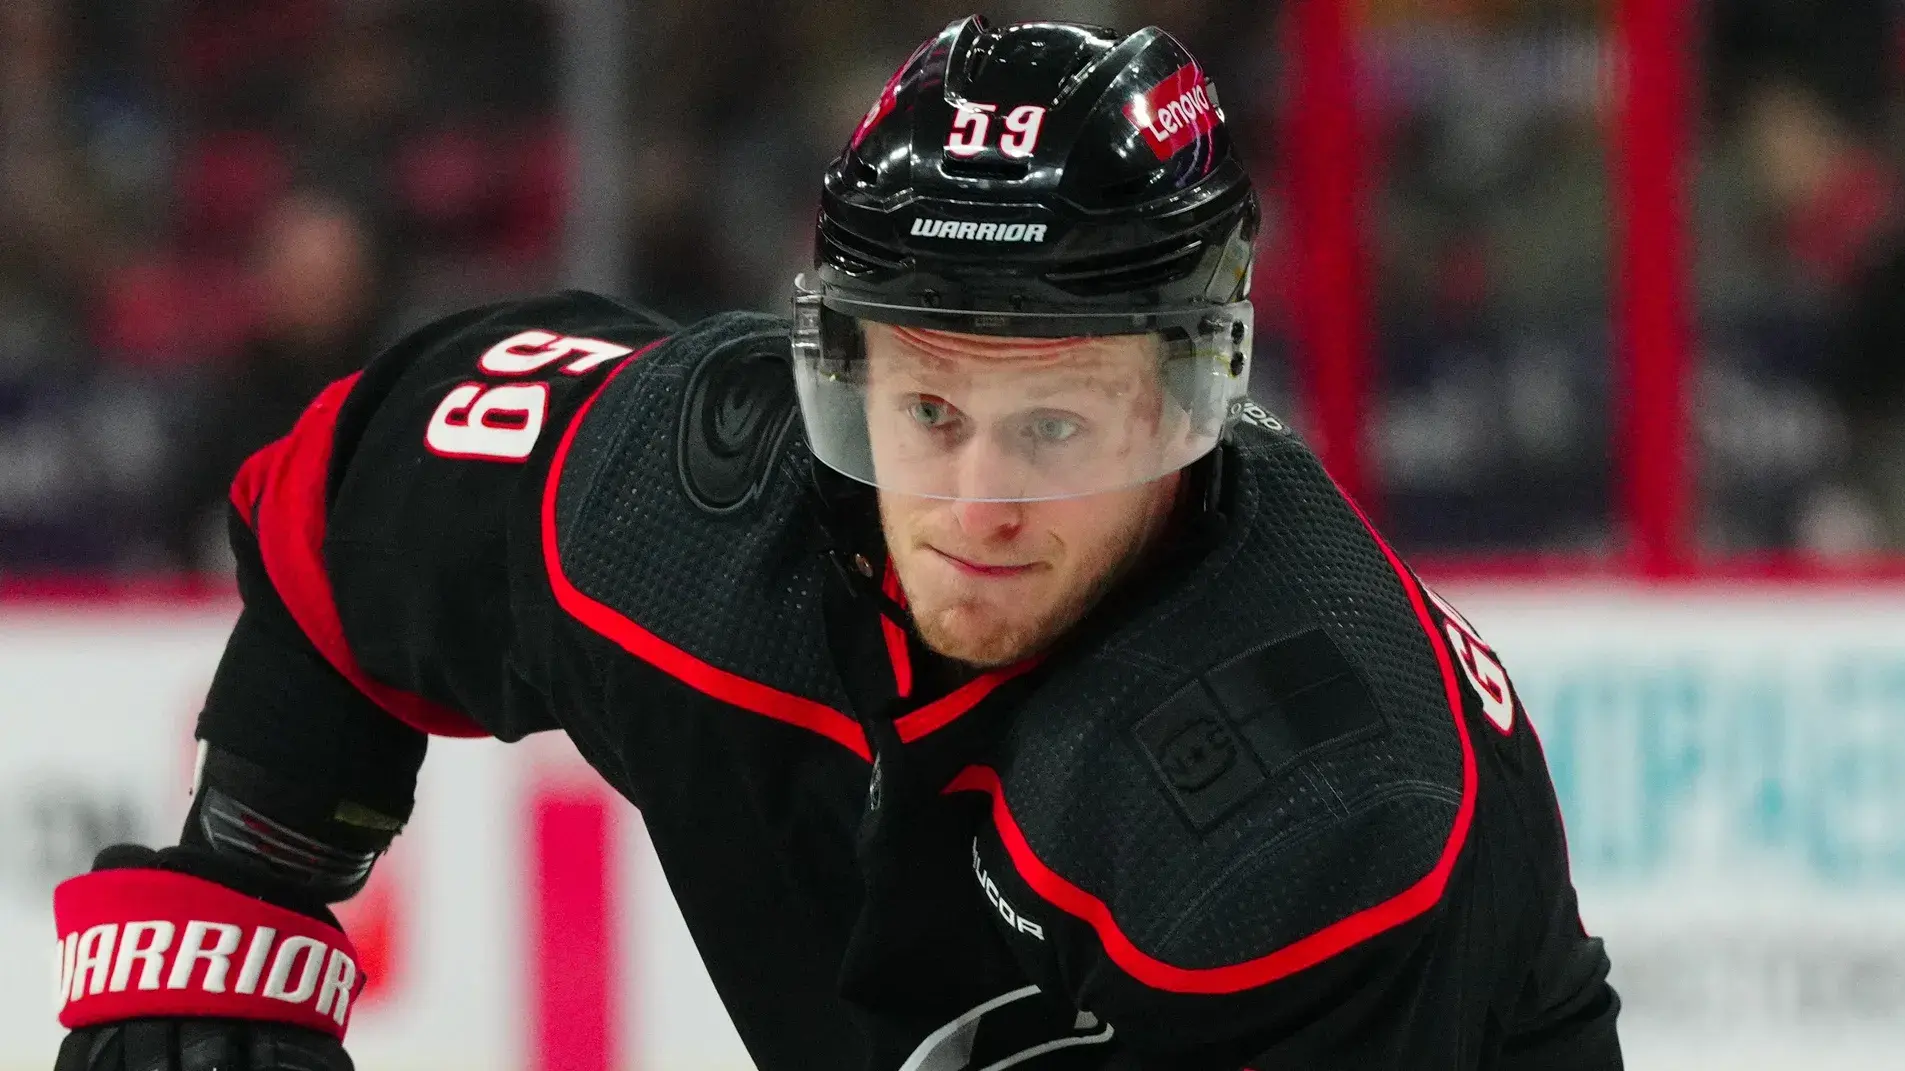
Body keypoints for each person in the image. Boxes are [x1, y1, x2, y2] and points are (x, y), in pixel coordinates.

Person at [50, 18, 1621, 1071]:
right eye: (928, 409)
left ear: (1192, 400)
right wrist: (243, 888)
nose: (980, 504)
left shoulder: (1317, 806)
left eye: (1061, 423)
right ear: (839, 373)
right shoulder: (685, 520)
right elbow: (369, 493)